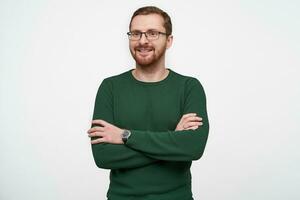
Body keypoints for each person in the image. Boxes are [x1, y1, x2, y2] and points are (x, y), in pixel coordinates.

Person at [87, 6, 209, 200]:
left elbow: (193, 147)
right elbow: (103, 156)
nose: (142, 41)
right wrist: (173, 142)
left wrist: (125, 136)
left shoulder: (189, 87)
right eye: (135, 33)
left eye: (152, 33)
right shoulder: (110, 87)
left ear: (169, 40)